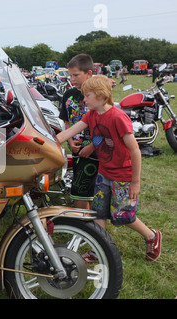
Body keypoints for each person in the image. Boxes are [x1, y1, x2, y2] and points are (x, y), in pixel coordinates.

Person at [57, 75, 162, 262]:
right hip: (103, 173)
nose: (83, 100)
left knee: (124, 216)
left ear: (101, 96)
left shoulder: (118, 117)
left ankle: (152, 236)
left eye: (87, 95)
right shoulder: (91, 115)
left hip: (123, 176)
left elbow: (135, 150)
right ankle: (98, 249)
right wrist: (49, 142)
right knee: (99, 213)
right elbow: (73, 132)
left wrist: (135, 182)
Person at [59, 54, 98, 210]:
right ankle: (91, 224)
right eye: (70, 75)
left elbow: (104, 125)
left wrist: (92, 147)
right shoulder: (68, 95)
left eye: (76, 75)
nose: (72, 79)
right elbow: (66, 120)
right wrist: (69, 141)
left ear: (89, 73)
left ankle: (86, 227)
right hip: (76, 151)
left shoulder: (98, 95)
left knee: (82, 190)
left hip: (95, 152)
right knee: (83, 189)